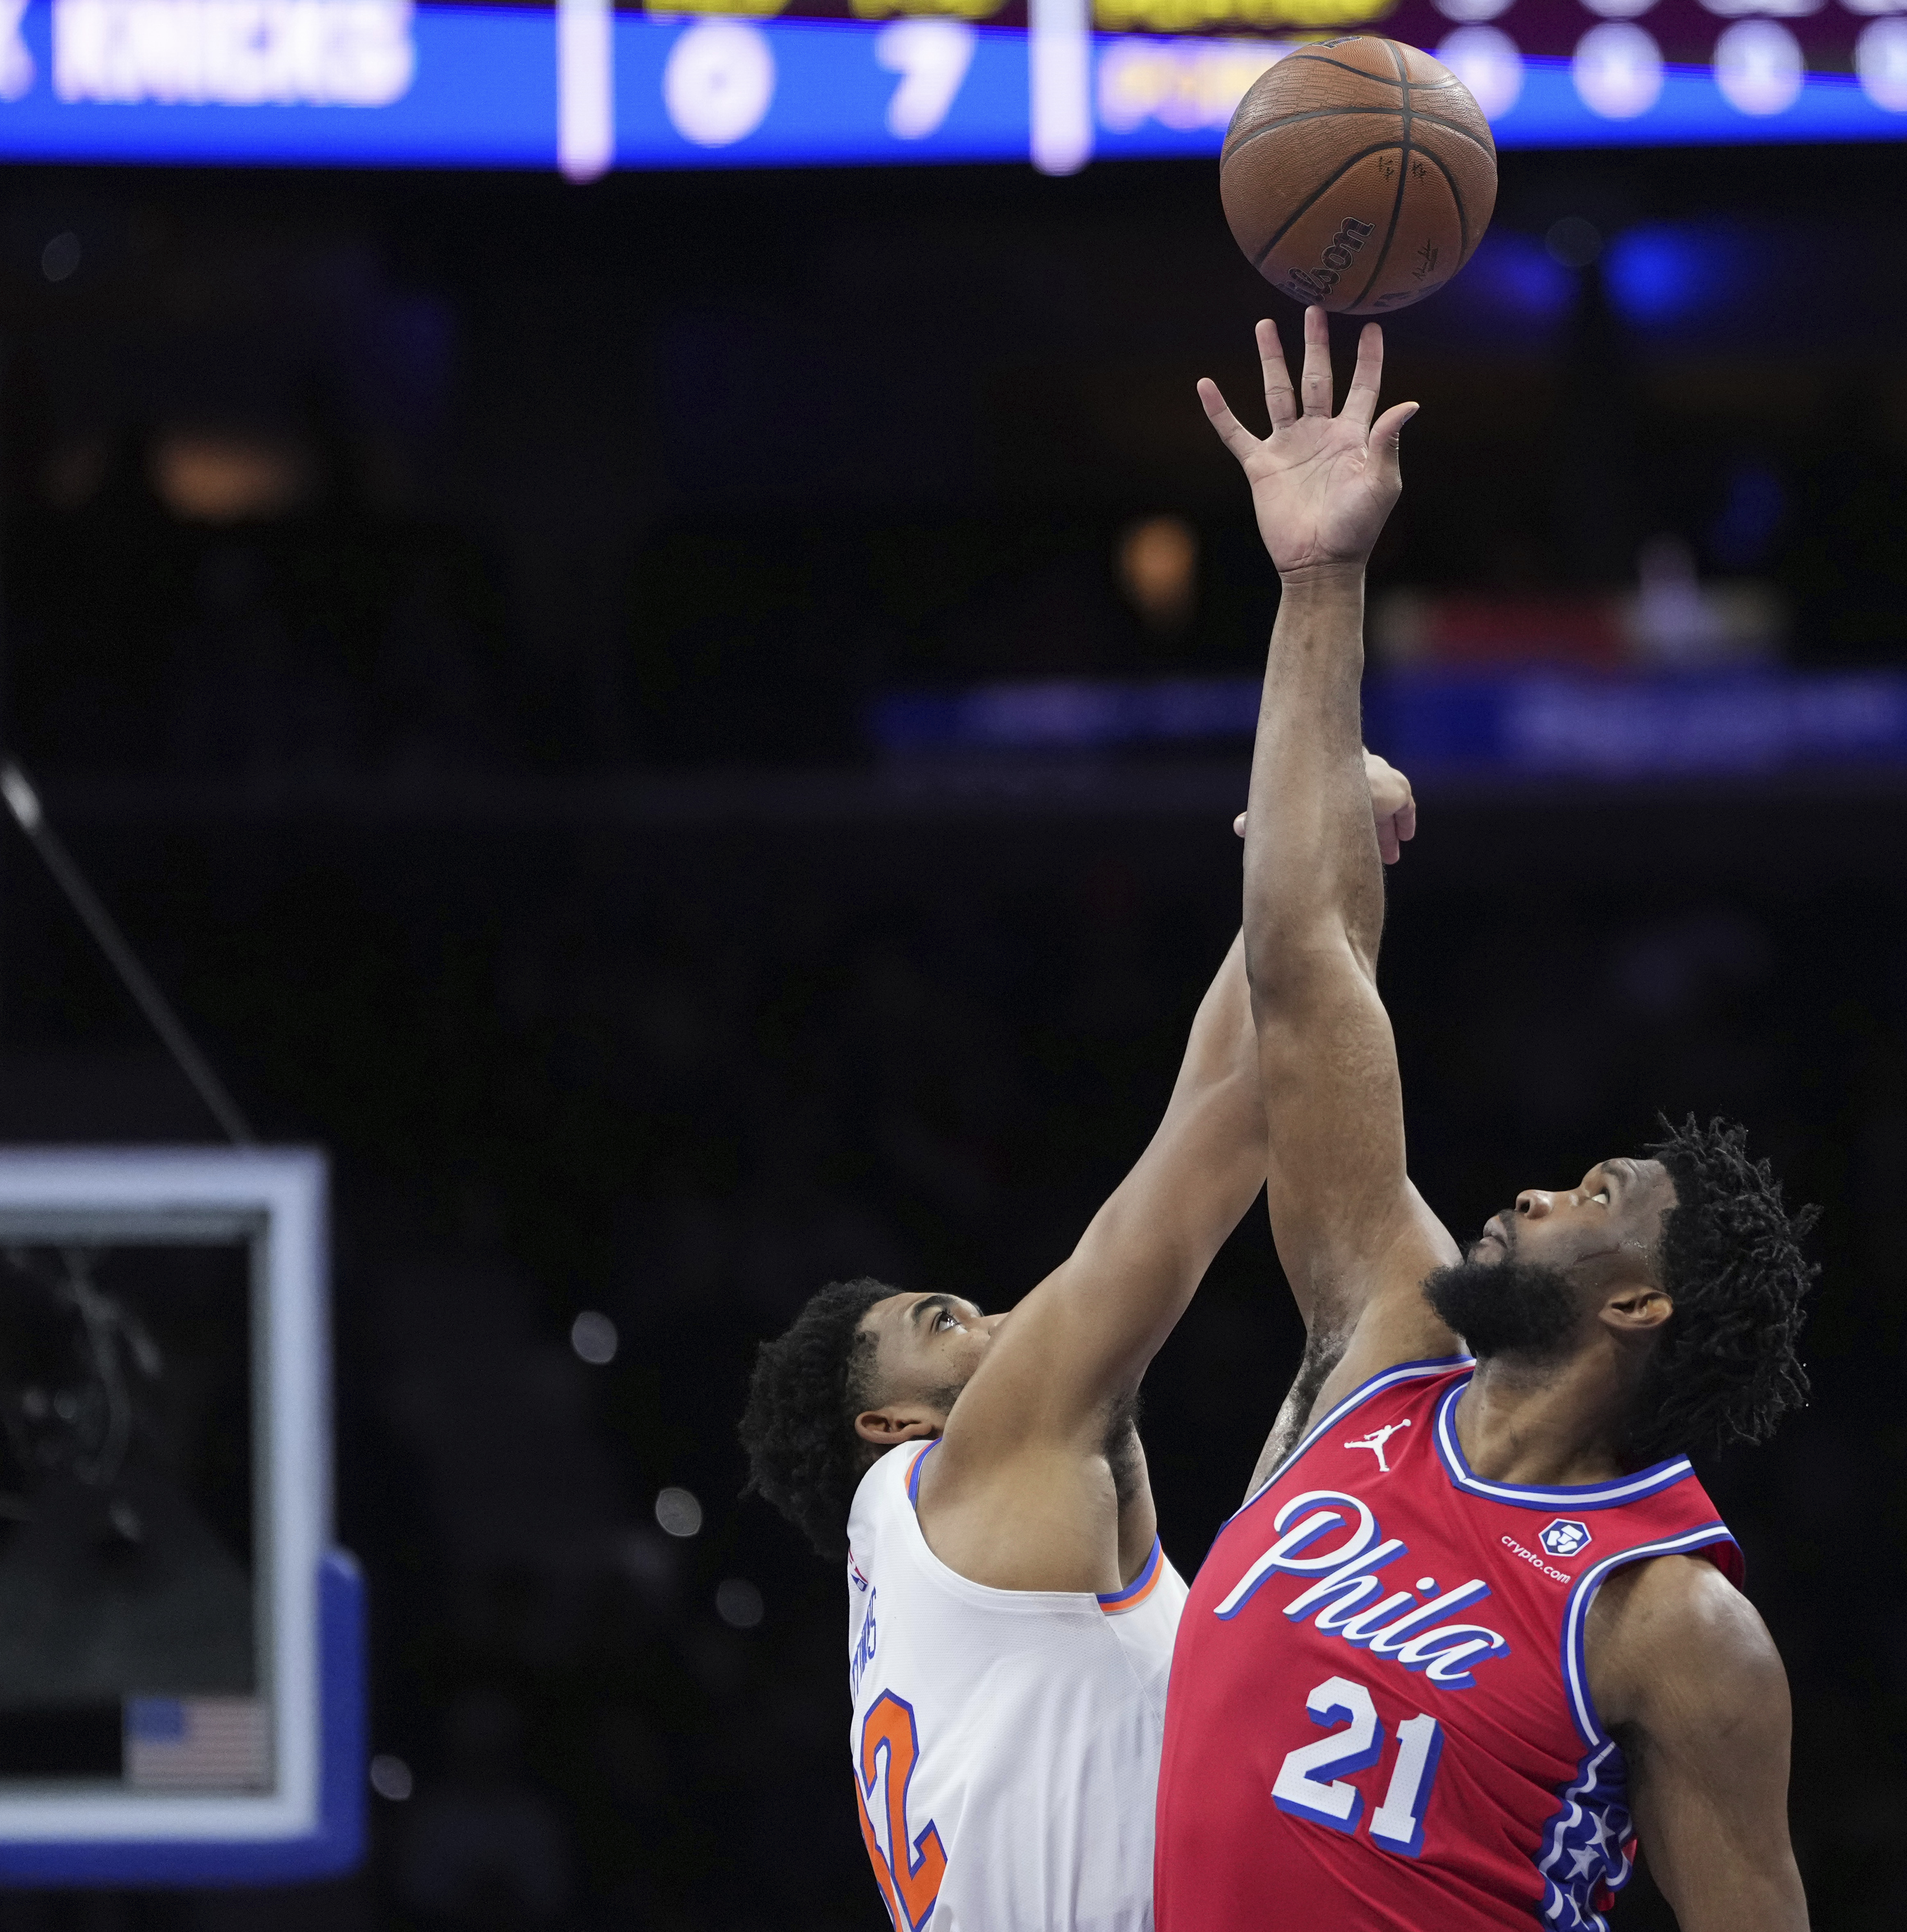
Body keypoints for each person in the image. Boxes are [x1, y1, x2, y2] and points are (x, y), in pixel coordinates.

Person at [1154, 310, 1815, 1931]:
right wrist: (1318, 580)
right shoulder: (1382, 1344)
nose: (1536, 1188)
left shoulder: (1667, 1618)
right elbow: (1304, 972)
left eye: (1599, 1193)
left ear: (1641, 1302)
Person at [735, 758, 1417, 1932]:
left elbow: (1217, 1094)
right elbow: (1225, 1134)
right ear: (891, 1425)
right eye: (941, 1325)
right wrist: (1306, 861)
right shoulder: (974, 1471)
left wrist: (1298, 869)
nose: (1001, 1320)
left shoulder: (937, 1582)